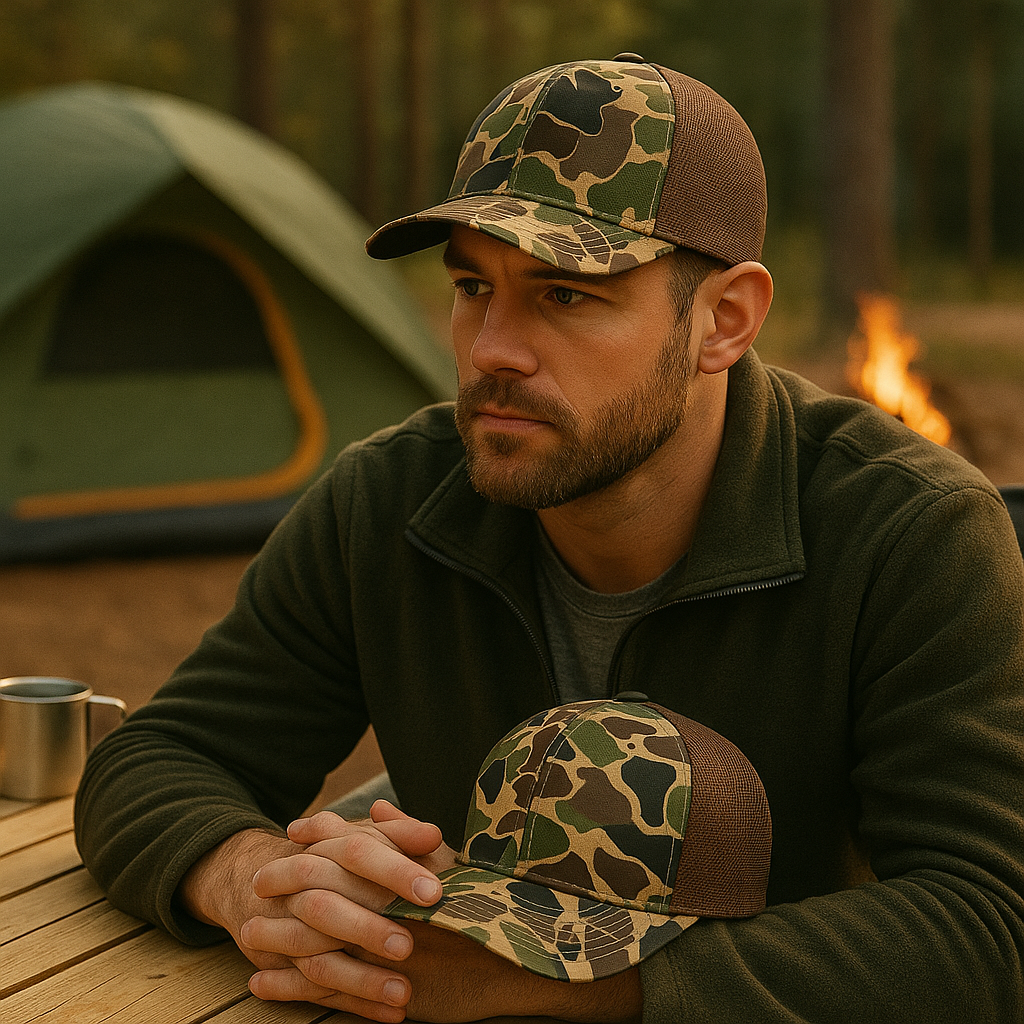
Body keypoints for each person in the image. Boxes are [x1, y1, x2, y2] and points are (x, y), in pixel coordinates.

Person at [75, 55, 1024, 1024]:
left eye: (564, 294)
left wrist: (545, 984)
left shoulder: (911, 531)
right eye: (471, 287)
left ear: (724, 320)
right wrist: (255, 879)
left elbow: (990, 923)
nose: (491, 349)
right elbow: (159, 756)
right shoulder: (392, 499)